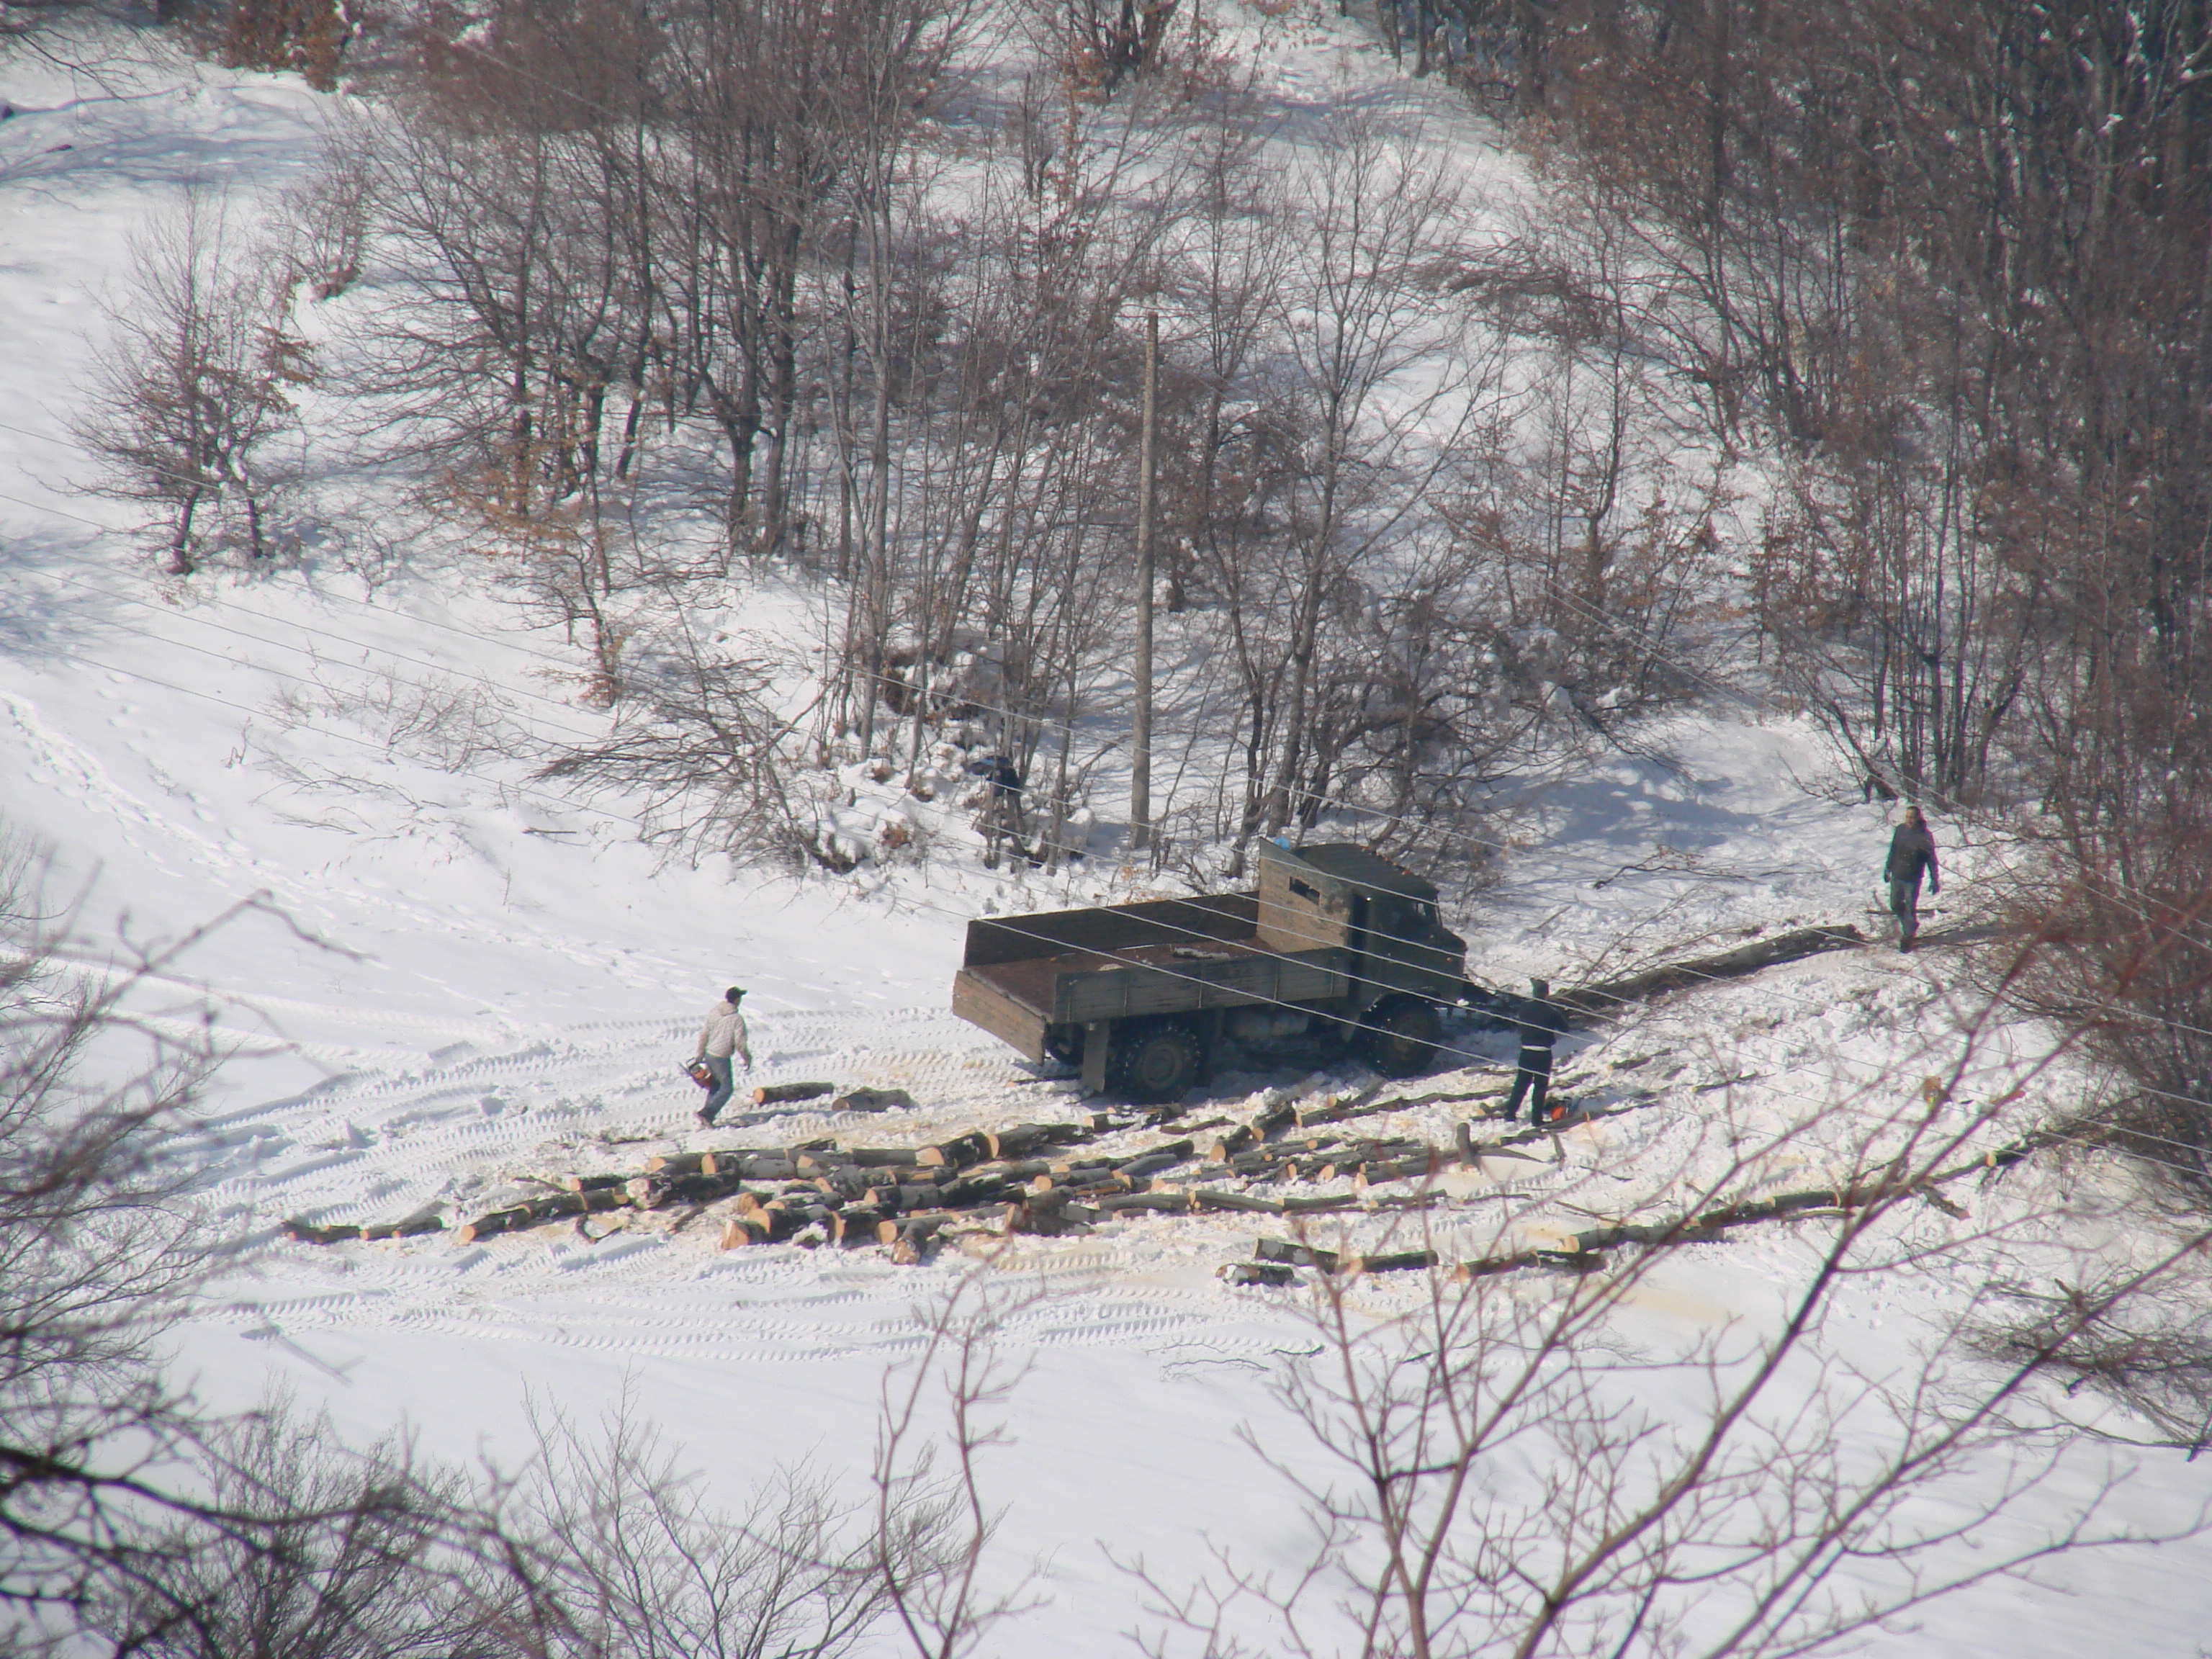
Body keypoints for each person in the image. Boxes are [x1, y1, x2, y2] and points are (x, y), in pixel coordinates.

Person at [1502, 977, 1568, 1124]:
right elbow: (1565, 1028)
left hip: (1526, 1052)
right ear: (1546, 994)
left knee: (1521, 1084)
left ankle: (1510, 1114)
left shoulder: (1524, 1008)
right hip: (1543, 1053)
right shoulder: (1551, 1011)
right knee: (1540, 1087)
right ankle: (1536, 1119)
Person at [693, 986, 752, 1128]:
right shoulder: (737, 1019)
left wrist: (700, 1054)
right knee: (726, 1088)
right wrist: (747, 1058)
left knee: (715, 1086)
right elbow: (740, 1043)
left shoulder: (715, 1011)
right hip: (721, 1056)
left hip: (709, 1053)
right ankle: (707, 1113)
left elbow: (704, 1034)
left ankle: (707, 1117)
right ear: (737, 1000)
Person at [1884, 806, 1941, 952]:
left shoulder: (1924, 835)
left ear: (1918, 818)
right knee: (1895, 904)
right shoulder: (1900, 830)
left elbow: (1931, 859)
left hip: (1913, 877)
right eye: (1907, 816)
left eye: (1913, 817)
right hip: (1898, 874)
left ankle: (1908, 937)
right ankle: (1911, 925)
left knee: (1910, 907)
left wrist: (1935, 879)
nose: (1909, 819)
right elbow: (1893, 849)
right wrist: (1888, 868)